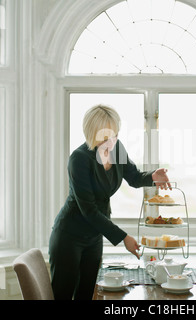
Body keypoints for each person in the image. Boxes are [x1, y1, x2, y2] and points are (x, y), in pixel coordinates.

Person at [48, 105, 171, 300]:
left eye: (115, 134)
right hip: (69, 237)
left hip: (95, 236)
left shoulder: (117, 148)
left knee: (88, 294)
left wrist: (153, 177)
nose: (111, 141)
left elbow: (134, 177)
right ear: (92, 133)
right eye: (105, 136)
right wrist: (123, 237)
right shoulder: (79, 159)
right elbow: (88, 210)